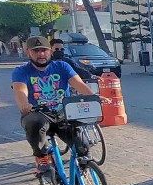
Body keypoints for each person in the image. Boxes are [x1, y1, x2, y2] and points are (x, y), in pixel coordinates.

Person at [11, 36, 103, 173]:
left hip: (63, 114)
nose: (41, 54)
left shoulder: (62, 66)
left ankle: (82, 181)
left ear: (50, 52)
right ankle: (41, 156)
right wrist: (24, 104)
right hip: (39, 113)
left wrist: (93, 97)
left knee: (82, 147)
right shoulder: (21, 71)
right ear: (28, 52)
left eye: (44, 50)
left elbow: (79, 84)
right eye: (36, 51)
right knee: (34, 122)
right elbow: (20, 90)